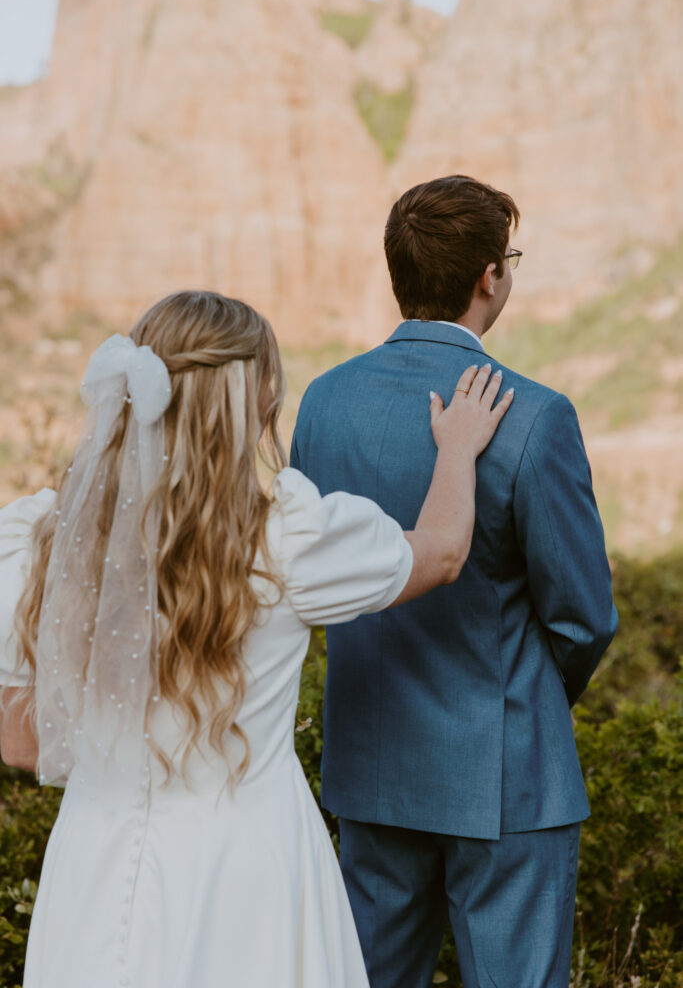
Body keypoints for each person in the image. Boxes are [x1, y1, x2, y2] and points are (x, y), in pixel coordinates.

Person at [0, 290, 512, 988]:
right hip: (245, 865)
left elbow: (22, 743)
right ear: (255, 397)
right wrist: (455, 450)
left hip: (93, 861)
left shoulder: (39, 539)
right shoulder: (289, 539)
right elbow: (443, 551)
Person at [290, 175, 619, 988]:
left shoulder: (321, 405)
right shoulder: (535, 416)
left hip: (369, 768)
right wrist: (523, 701)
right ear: (488, 277)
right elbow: (584, 618)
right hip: (507, 779)